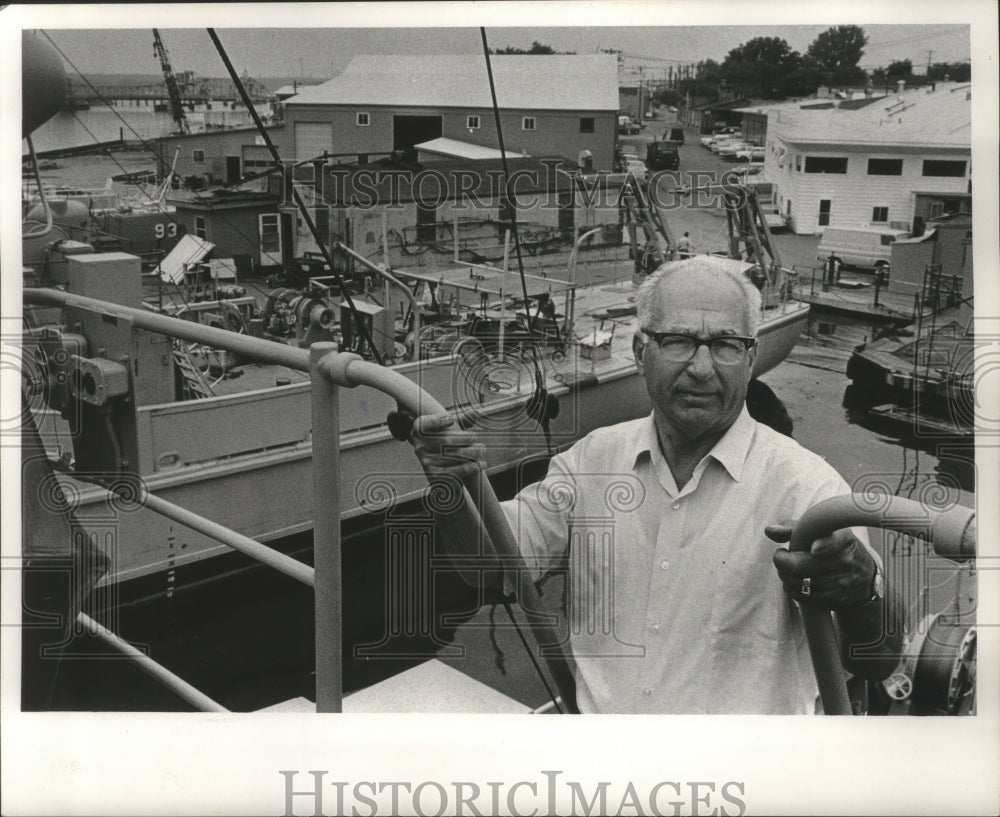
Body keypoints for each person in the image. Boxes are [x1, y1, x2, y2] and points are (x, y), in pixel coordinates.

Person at [408, 256, 904, 714]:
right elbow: (490, 567)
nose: (702, 368)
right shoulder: (591, 461)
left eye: (726, 345)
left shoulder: (808, 490)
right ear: (640, 349)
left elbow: (876, 662)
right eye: (679, 340)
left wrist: (863, 593)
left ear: (751, 360)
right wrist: (453, 489)